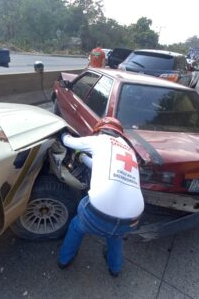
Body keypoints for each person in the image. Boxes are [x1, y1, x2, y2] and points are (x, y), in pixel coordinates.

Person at [58, 117, 144, 277]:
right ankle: (115, 269)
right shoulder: (129, 151)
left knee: (77, 225)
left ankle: (64, 259)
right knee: (115, 235)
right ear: (120, 134)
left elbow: (68, 141)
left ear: (98, 131)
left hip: (98, 216)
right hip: (132, 219)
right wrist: (83, 158)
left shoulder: (101, 140)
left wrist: (61, 131)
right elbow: (103, 165)